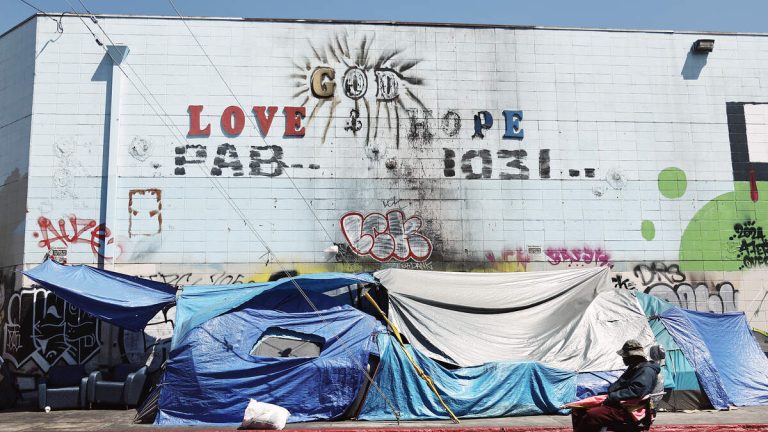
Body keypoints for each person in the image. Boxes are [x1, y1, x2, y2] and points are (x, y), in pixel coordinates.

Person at [571, 339, 661, 432]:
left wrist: (611, 397)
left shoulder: (646, 370)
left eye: (625, 356)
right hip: (620, 404)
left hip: (629, 409)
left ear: (633, 356)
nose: (623, 358)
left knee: (591, 415)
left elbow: (636, 391)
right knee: (578, 410)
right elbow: (620, 385)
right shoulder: (634, 367)